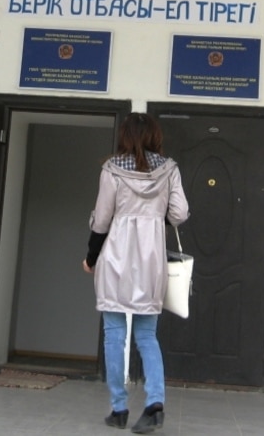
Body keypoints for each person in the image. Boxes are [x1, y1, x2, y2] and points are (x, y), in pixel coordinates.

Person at [83, 112, 189, 434]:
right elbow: (180, 213)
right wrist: (155, 218)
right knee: (146, 335)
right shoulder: (169, 169)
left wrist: (91, 257)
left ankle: (119, 408)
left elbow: (102, 220)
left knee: (114, 334)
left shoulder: (111, 169)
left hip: (115, 257)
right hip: (151, 261)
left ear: (125, 136)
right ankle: (155, 403)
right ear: (155, 136)